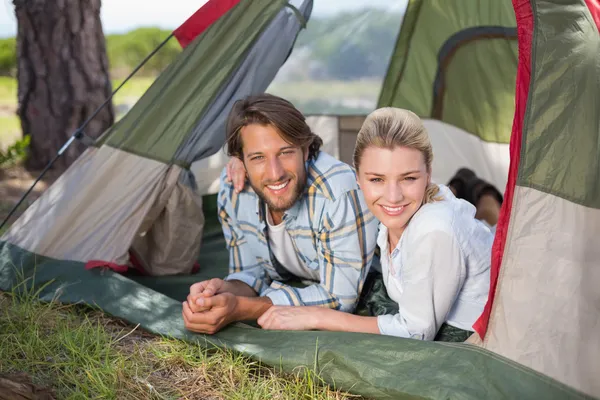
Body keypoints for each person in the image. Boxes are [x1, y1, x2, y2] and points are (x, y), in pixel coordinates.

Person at [253, 107, 494, 341]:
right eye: (377, 179)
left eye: (408, 178)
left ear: (428, 173)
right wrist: (246, 162)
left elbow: (415, 332)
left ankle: (487, 203)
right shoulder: (384, 214)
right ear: (356, 177)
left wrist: (316, 317)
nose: (392, 196)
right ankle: (477, 195)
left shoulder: (435, 230)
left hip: (467, 329)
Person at [182, 94, 379, 334]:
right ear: (241, 160)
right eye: (258, 158)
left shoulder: (338, 194)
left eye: (285, 152)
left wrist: (244, 309)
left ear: (305, 151)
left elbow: (340, 299)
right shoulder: (234, 190)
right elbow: (250, 273)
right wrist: (221, 292)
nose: (275, 173)